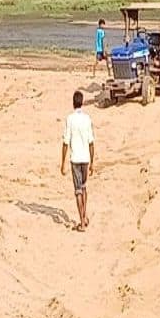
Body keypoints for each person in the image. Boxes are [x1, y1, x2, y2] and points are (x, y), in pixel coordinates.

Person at [61, 91, 95, 231]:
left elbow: (65, 142)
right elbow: (91, 142)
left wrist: (62, 162)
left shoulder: (70, 119)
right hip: (86, 158)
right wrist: (92, 162)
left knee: (78, 190)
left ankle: (81, 221)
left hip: (75, 159)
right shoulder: (87, 119)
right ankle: (84, 215)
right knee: (84, 187)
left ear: (73, 103)